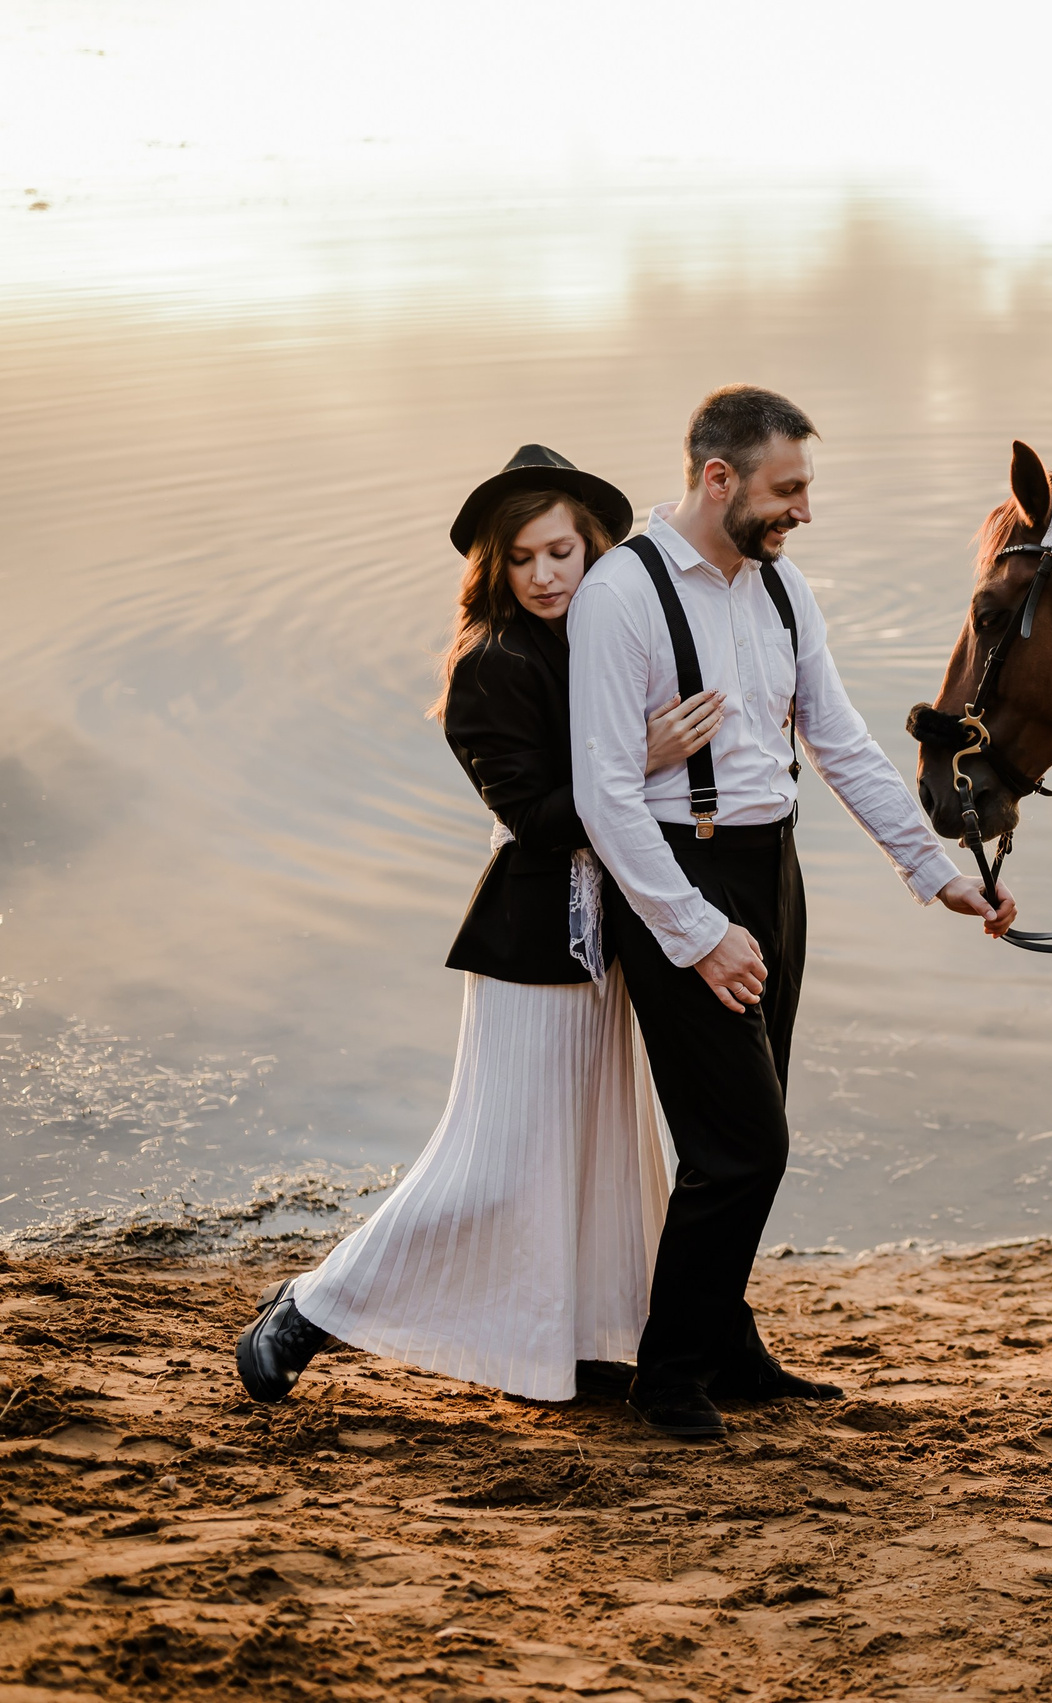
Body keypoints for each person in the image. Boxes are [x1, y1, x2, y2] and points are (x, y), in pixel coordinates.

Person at [235, 446, 727, 1405]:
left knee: (595, 1149)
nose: (543, 576)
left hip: (607, 935)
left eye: (561, 553)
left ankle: (584, 1338)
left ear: (594, 550)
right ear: (495, 568)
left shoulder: (600, 638)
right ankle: (311, 1307)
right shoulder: (489, 666)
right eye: (522, 559)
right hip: (530, 938)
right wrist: (640, 756)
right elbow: (537, 820)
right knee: (493, 1163)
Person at [570, 385, 1017, 1439]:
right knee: (744, 1146)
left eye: (805, 489)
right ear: (717, 477)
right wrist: (697, 933)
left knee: (743, 1128)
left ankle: (724, 1344)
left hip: (773, 872)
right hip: (675, 878)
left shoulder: (782, 587)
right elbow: (604, 795)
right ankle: (667, 1374)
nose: (803, 511)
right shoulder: (620, 595)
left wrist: (935, 870)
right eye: (787, 490)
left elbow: (840, 739)